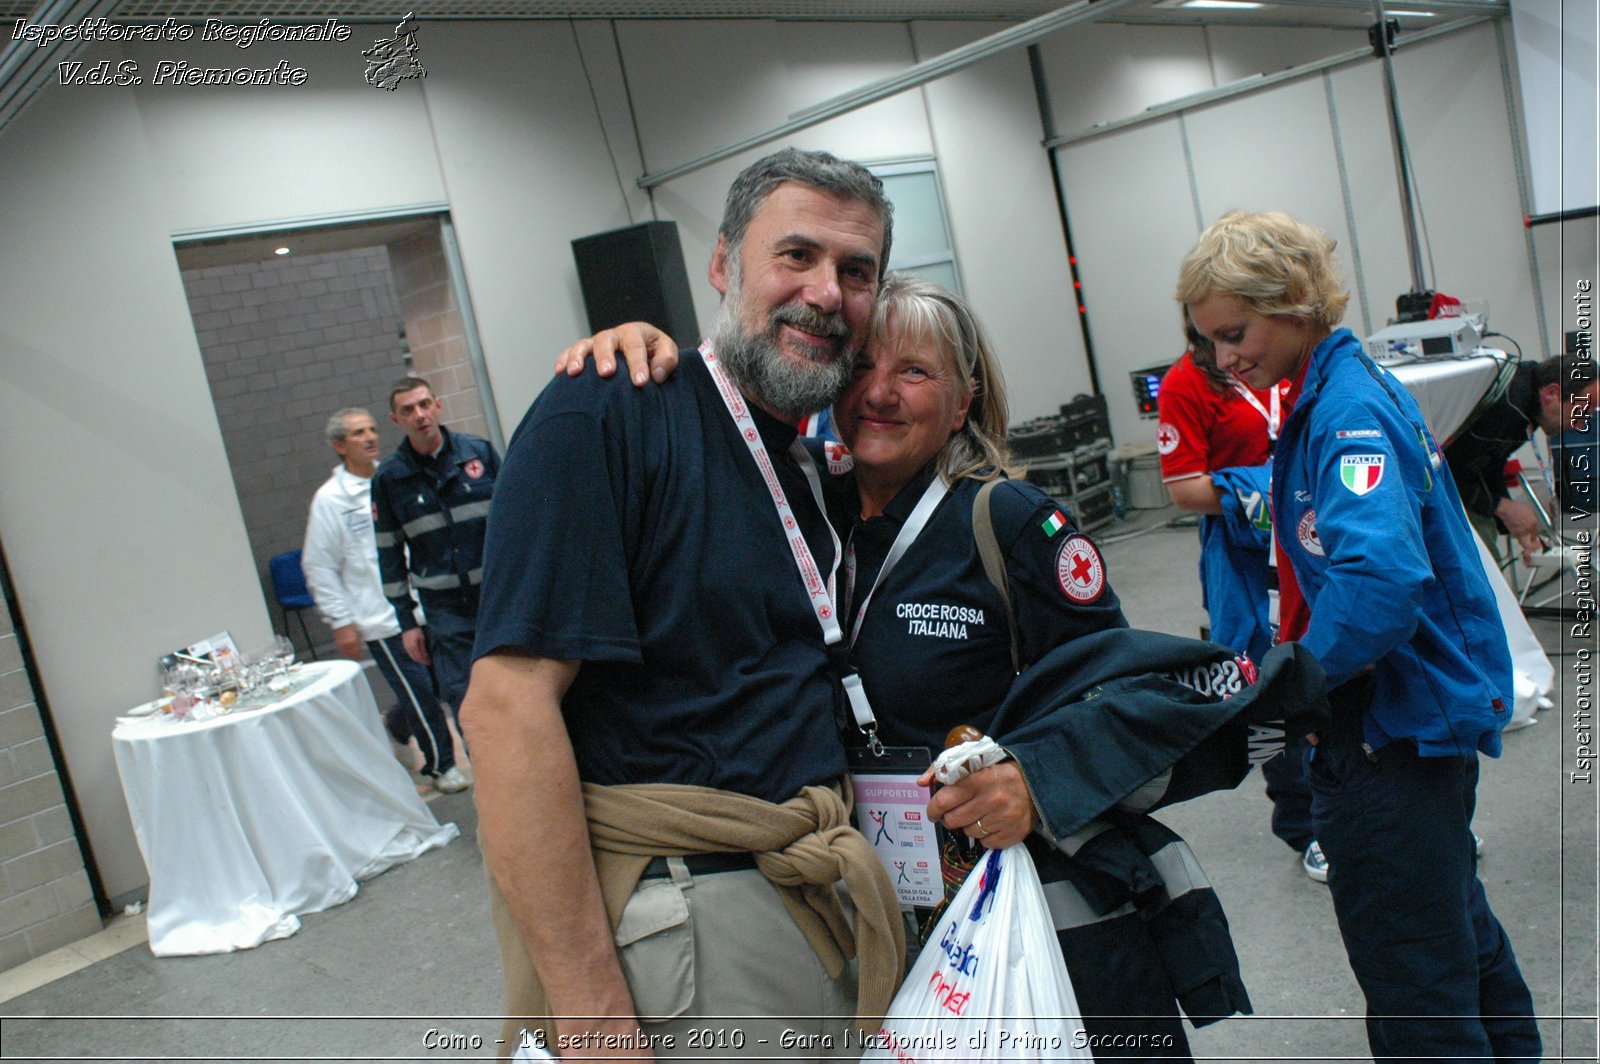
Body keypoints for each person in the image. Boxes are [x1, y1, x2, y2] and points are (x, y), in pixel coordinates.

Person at [566, 272, 1327, 1062]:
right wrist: (638, 360)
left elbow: (1132, 691)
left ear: (962, 402)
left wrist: (1033, 777)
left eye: (914, 372)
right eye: (861, 368)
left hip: (1042, 914)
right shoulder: (801, 515)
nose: (879, 394)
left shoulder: (1008, 523)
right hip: (885, 916)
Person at [461, 148, 905, 1061]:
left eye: (855, 271)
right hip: (693, 918)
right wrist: (590, 1011)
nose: (826, 292)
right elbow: (506, 709)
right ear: (722, 264)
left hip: (816, 890)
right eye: (796, 256)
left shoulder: (814, 466)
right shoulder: (608, 414)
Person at [1178, 209, 1541, 1062]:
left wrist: (1286, 681)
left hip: (1385, 734)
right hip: (1409, 727)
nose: (1225, 360)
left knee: (1416, 982)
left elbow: (1378, 585)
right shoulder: (1329, 395)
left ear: (1297, 300)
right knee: (1457, 937)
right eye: (1212, 342)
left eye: (1236, 334)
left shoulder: (1345, 413)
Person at [1156, 328, 1324, 880]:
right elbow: (1183, 488)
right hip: (1242, 552)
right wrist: (1262, 488)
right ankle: (1304, 826)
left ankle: (1356, 804)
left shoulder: (1281, 356)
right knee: (1267, 678)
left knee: (1328, 660)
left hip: (1308, 532)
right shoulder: (1185, 382)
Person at [302, 408, 468, 793]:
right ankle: (441, 765)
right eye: (358, 433)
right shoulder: (330, 501)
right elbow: (319, 565)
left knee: (446, 686)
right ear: (339, 446)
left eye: (372, 430)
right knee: (423, 694)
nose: (369, 438)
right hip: (380, 616)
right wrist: (341, 621)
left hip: (425, 605)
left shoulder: (394, 478)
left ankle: (397, 723)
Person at [372, 376, 499, 737]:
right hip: (446, 613)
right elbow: (389, 553)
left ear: (438, 405)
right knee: (467, 703)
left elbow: (517, 522)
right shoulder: (390, 479)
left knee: (519, 690)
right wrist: (407, 623)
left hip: (497, 598)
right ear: (396, 419)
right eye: (408, 410)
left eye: (425, 404)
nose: (420, 415)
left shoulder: (479, 454)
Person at [1444, 352, 1598, 561]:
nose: (1580, 426)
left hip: (1447, 473)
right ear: (1552, 393)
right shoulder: (1509, 405)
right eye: (1581, 412)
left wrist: (1514, 524)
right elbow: (1446, 469)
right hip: (1426, 481)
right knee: (1482, 559)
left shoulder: (1529, 402)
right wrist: (1503, 508)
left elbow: (1489, 464)